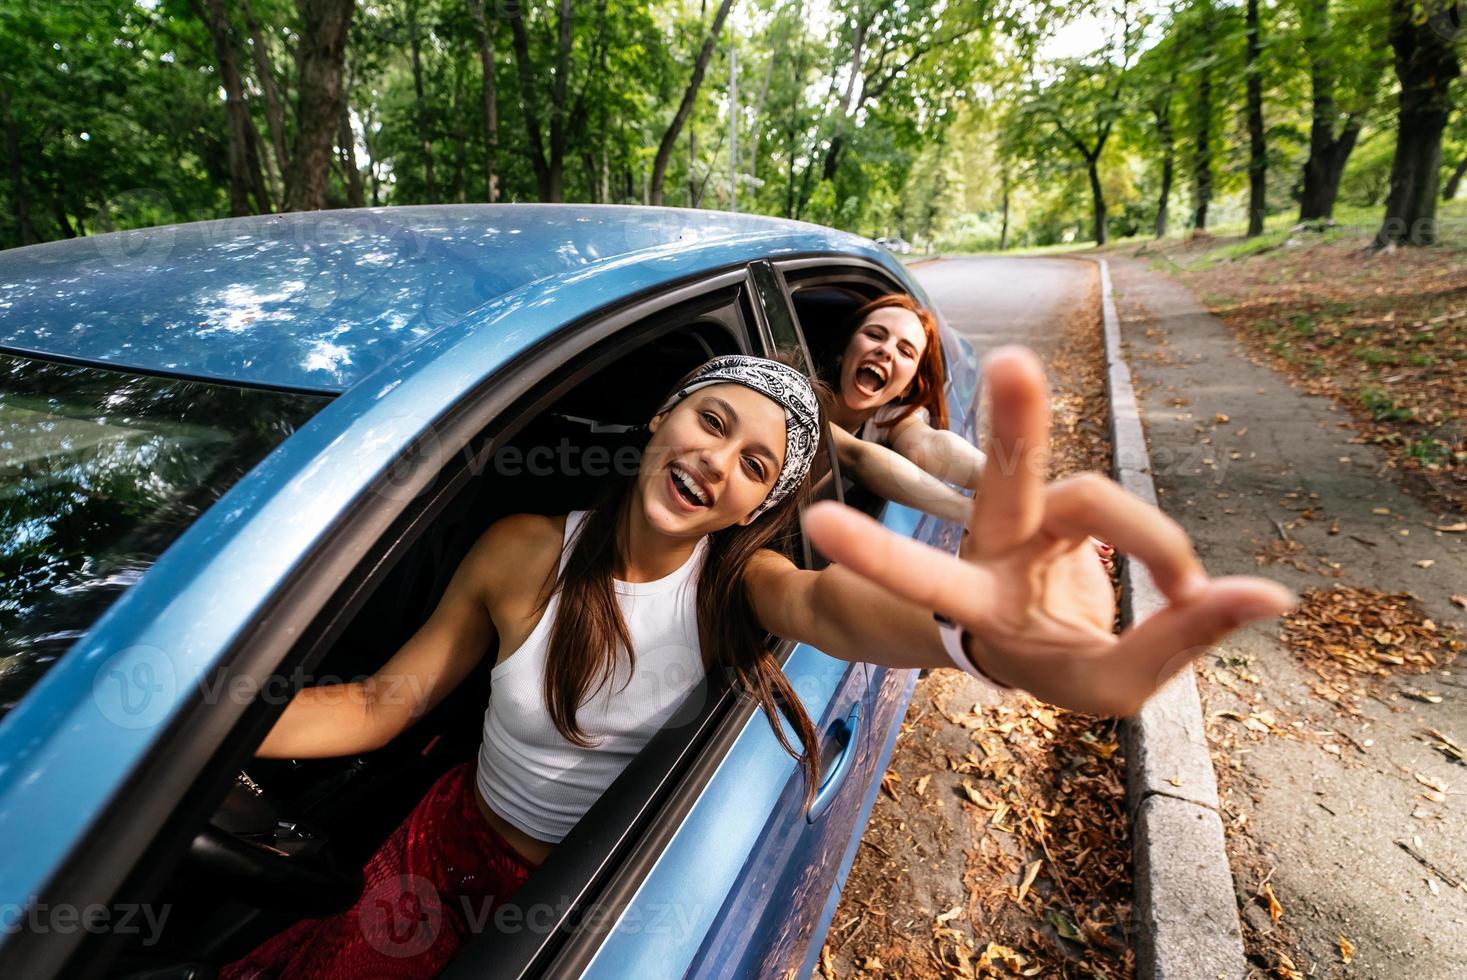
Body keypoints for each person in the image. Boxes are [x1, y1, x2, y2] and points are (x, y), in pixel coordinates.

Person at [221, 350, 1291, 979]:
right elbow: (374, 704)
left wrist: (982, 640)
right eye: (710, 420)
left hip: (561, 900)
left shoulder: (746, 585)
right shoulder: (522, 547)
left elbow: (834, 605)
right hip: (439, 843)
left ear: (762, 506)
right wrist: (180, 722)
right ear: (662, 413)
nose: (714, 460)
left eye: (754, 465)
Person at [821, 293, 1113, 566]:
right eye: (874, 335)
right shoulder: (796, 397)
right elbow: (854, 456)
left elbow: (931, 446)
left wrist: (1047, 508)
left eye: (905, 351)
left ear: (908, 385)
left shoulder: (889, 418)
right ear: (843, 351)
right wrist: (972, 514)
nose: (885, 351)